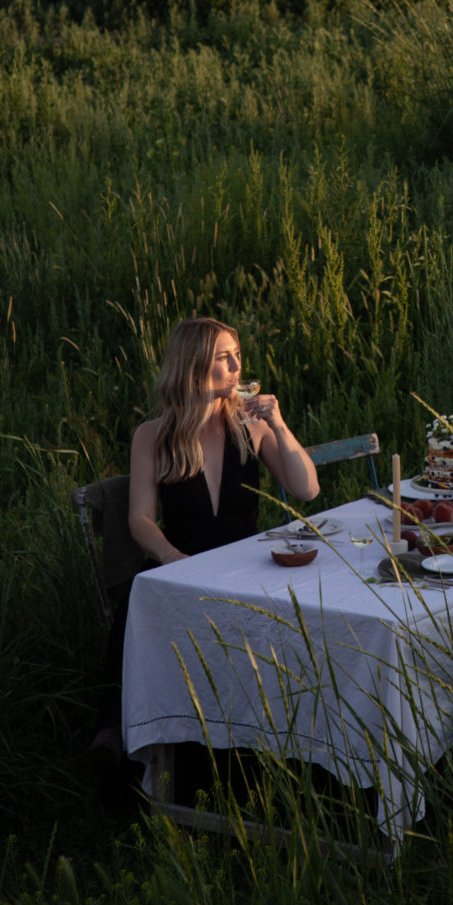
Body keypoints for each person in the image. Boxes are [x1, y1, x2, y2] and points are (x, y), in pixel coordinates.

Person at [87, 316, 319, 777]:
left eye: (237, 355)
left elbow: (305, 489)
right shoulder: (154, 435)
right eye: (222, 358)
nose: (236, 366)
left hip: (245, 566)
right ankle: (116, 733)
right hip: (183, 562)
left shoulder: (249, 427)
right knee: (140, 595)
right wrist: (174, 559)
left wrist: (278, 421)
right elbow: (140, 519)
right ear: (193, 366)